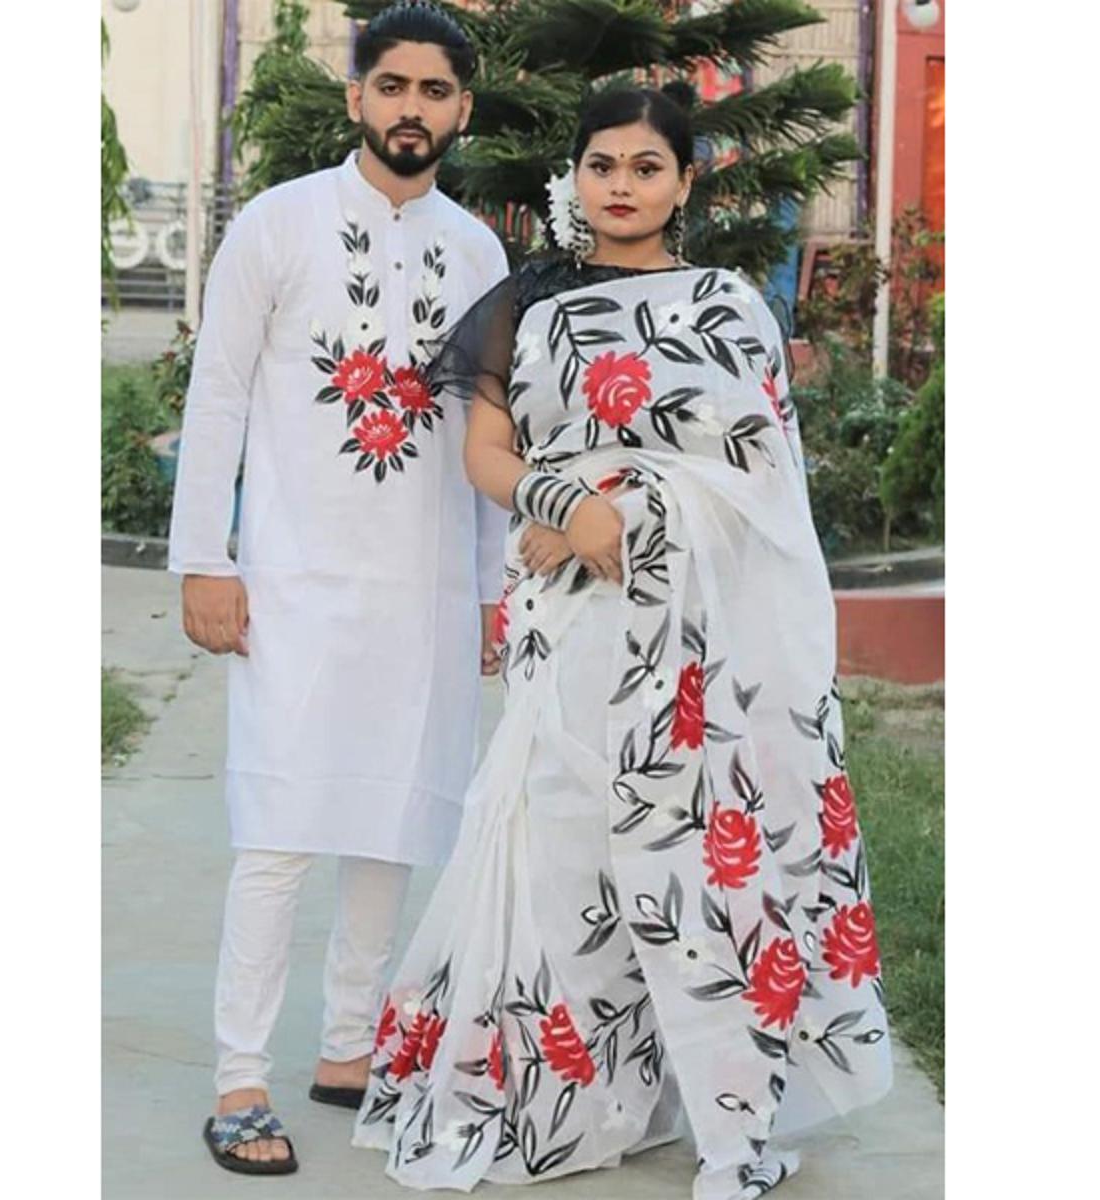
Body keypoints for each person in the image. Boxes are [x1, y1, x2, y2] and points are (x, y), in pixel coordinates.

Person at [351, 87, 892, 1200]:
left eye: (648, 167)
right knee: (561, 837)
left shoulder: (727, 308)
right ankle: (578, 1093)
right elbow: (488, 453)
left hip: (697, 635)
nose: (622, 186)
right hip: (569, 618)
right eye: (603, 165)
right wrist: (562, 503)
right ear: (576, 176)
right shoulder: (528, 303)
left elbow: (764, 485)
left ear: (685, 182)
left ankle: (733, 1122)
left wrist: (623, 508)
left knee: (696, 849)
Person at [168, 1, 510, 1177]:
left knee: (395, 814)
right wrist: (204, 558)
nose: (412, 109)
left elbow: (485, 433)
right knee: (279, 825)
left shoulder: (478, 252)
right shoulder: (278, 223)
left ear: (462, 109)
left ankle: (349, 1048)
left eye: (435, 91)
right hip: (294, 577)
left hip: (425, 586)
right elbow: (218, 394)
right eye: (393, 86)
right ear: (356, 94)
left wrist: (489, 587)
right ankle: (240, 1077)